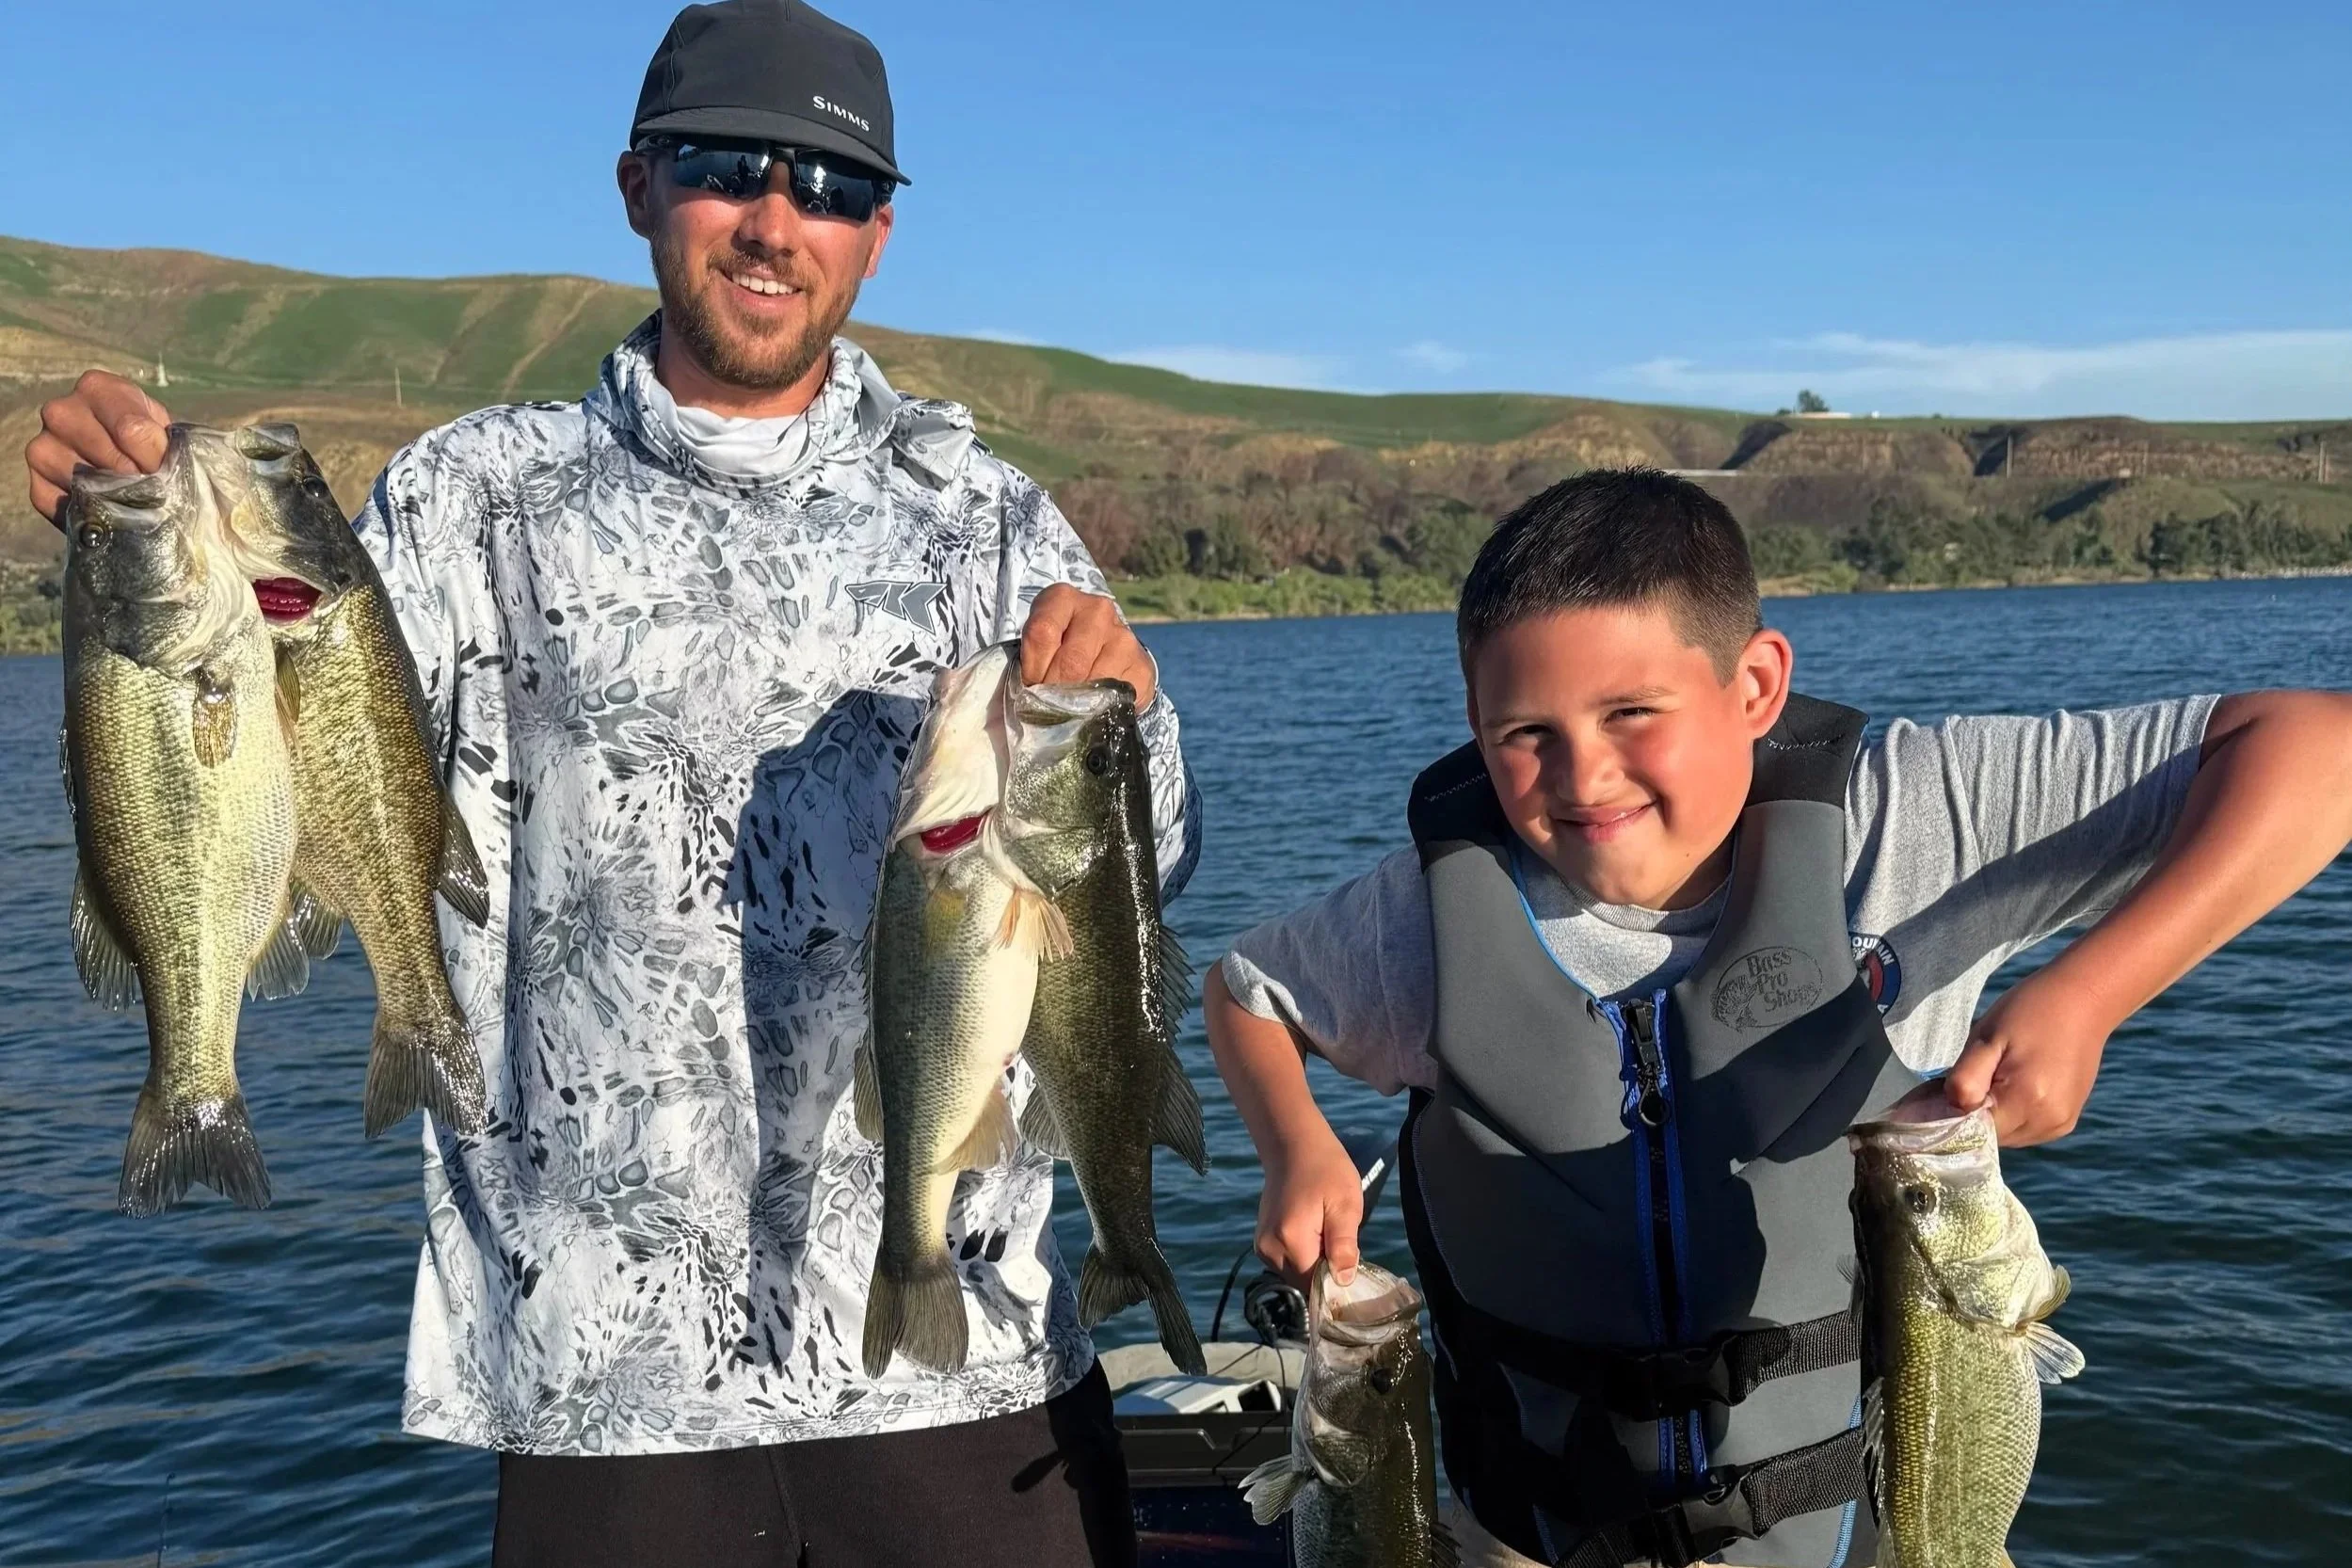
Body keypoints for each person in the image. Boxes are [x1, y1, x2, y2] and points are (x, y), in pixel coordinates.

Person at [27, 3, 1192, 1563]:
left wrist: (1130, 716)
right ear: (637, 183)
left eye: (830, 187)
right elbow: (285, 751)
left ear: (876, 234)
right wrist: (131, 534)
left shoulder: (986, 517)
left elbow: (1150, 861)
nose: (774, 219)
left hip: (961, 1350)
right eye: (723, 166)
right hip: (604, 1375)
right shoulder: (467, 497)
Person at [1205, 469, 2352, 1568]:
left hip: (1841, 1531)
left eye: (1632, 713)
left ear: (1755, 685)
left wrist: (2091, 994)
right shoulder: (1425, 919)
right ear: (1472, 719)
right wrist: (1296, 1145)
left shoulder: (1918, 819)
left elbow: (2319, 749)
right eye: (1525, 734)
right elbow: (1248, 991)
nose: (1584, 777)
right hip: (1525, 1532)